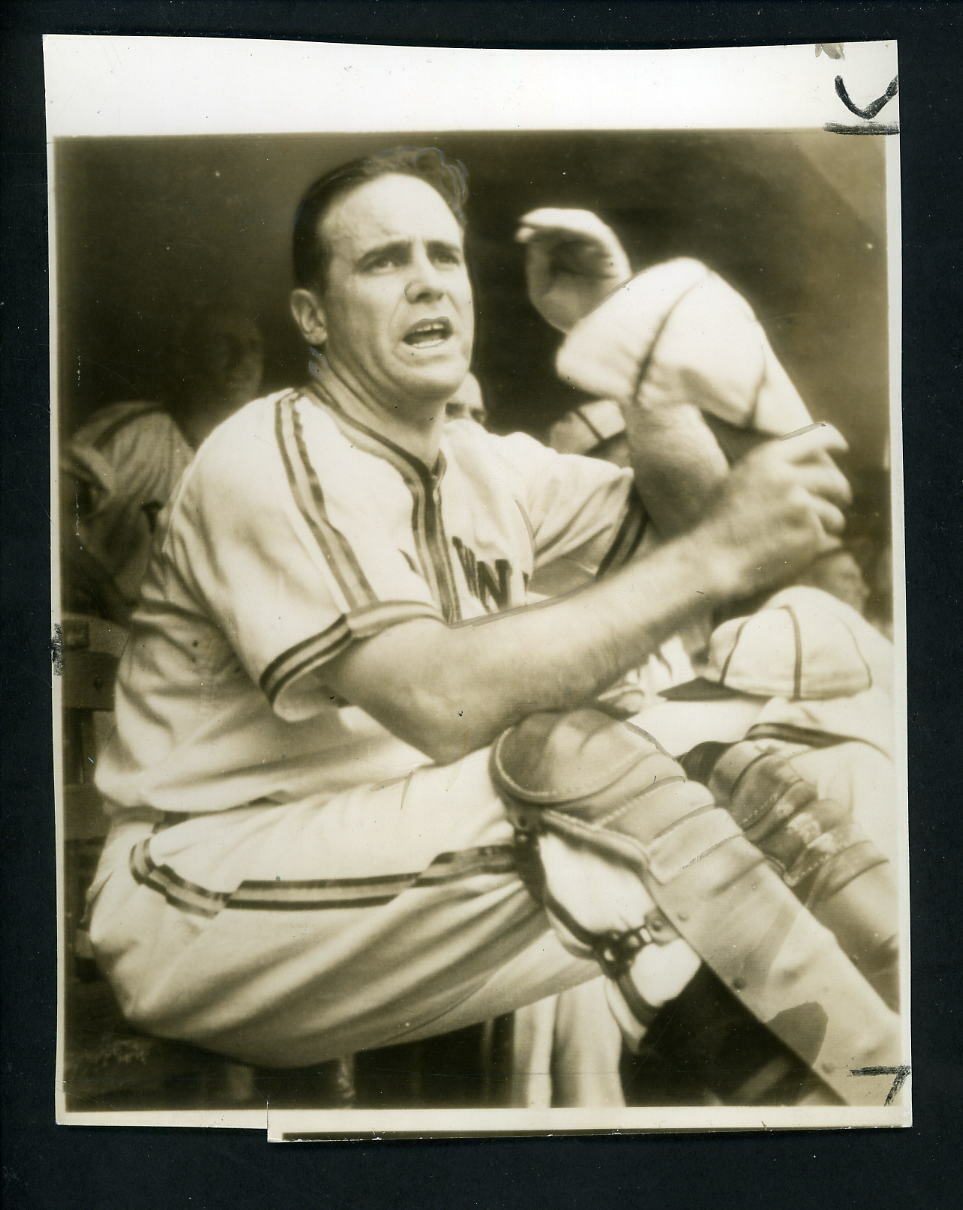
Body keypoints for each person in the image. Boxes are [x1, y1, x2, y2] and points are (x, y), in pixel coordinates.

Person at [83, 147, 899, 1103]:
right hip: (206, 897)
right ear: (313, 317)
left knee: (742, 763)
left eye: (444, 254)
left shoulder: (483, 463)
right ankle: (858, 1089)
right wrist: (717, 551)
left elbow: (697, 519)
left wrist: (635, 352)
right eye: (384, 260)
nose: (427, 277)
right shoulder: (270, 450)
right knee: (576, 760)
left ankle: (882, 1064)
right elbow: (442, 701)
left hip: (411, 875)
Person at [61, 304, 264, 622]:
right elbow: (36, 511)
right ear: (185, 359)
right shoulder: (134, 431)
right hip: (92, 628)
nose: (244, 360)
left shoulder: (259, 461)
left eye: (254, 348)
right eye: (224, 344)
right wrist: (106, 594)